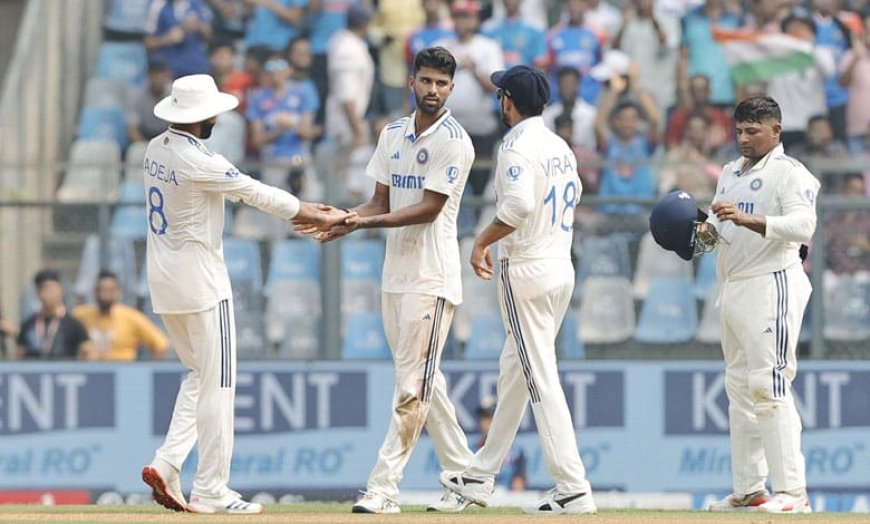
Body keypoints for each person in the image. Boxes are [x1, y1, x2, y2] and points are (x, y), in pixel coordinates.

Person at [139, 73, 352, 515]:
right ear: (202, 116)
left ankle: (168, 461)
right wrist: (312, 210)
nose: (218, 114)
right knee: (219, 385)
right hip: (201, 282)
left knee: (199, 375)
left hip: (163, 279)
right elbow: (255, 192)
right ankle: (212, 489)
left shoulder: (153, 149)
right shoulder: (200, 159)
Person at [307, 46, 476, 515]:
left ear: (452, 89)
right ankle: (469, 477)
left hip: (432, 277)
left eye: (442, 84)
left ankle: (383, 488)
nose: (434, 90)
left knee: (411, 389)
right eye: (426, 81)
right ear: (412, 82)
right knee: (424, 383)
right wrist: (343, 219)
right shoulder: (393, 134)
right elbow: (379, 202)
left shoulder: (455, 141)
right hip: (395, 277)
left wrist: (362, 225)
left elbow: (429, 208)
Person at [440, 65, 596, 516]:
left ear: (507, 101)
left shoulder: (514, 145)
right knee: (517, 369)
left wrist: (482, 240)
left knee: (538, 376)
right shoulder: (558, 144)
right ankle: (481, 473)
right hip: (559, 266)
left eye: (500, 94)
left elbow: (519, 204)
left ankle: (572, 485)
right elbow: (577, 190)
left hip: (525, 269)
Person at [698, 96, 819, 514]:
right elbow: (715, 231)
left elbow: (804, 225)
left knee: (770, 386)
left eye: (753, 131)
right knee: (739, 391)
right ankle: (750, 489)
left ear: (776, 131)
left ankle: (794, 493)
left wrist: (747, 220)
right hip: (732, 286)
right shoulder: (730, 172)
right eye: (740, 131)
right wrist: (696, 234)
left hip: (773, 283)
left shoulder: (790, 173)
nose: (744, 138)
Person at [73, 270, 170, 361]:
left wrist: (148, 369)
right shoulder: (81, 315)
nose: (105, 295)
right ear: (95, 292)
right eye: (102, 290)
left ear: (118, 292)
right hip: (91, 372)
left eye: (110, 290)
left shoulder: (131, 317)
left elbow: (160, 344)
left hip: (124, 372)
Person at [17, 270, 96, 360]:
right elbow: (20, 354)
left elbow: (88, 351)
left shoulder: (74, 325)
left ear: (61, 290)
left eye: (53, 289)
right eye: (44, 289)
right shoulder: (28, 325)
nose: (50, 294)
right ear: (38, 294)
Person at [144, 0, 213, 79]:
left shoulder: (197, 3)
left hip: (197, 68)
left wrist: (198, 25)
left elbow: (210, 34)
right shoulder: (158, 5)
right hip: (170, 70)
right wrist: (168, 38)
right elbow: (148, 43)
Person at [474, 398, 527, 492]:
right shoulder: (472, 449)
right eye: (483, 418)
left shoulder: (516, 451)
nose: (485, 423)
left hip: (508, 497)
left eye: (489, 418)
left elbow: (519, 483)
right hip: (479, 496)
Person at [128, 60, 173, 144]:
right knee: (137, 151)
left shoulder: (173, 93)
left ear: (167, 74)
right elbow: (132, 129)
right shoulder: (137, 94)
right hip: (145, 136)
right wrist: (147, 146)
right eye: (154, 74)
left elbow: (178, 127)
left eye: (161, 73)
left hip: (168, 136)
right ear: (148, 75)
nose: (158, 78)